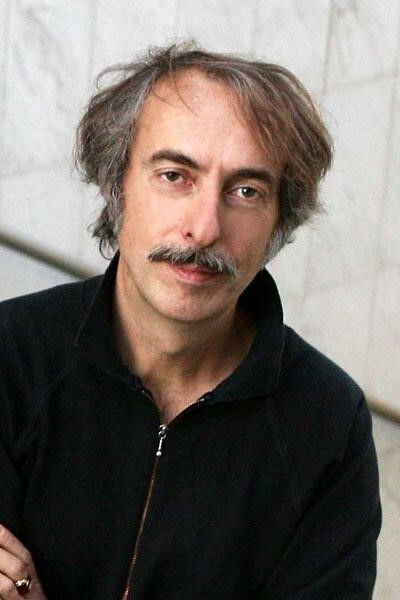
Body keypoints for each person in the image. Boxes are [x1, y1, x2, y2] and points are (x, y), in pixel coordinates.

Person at [0, 43, 380, 599]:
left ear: (279, 220)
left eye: (246, 191)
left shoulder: (328, 422)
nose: (204, 229)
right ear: (117, 185)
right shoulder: (11, 355)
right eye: (175, 175)